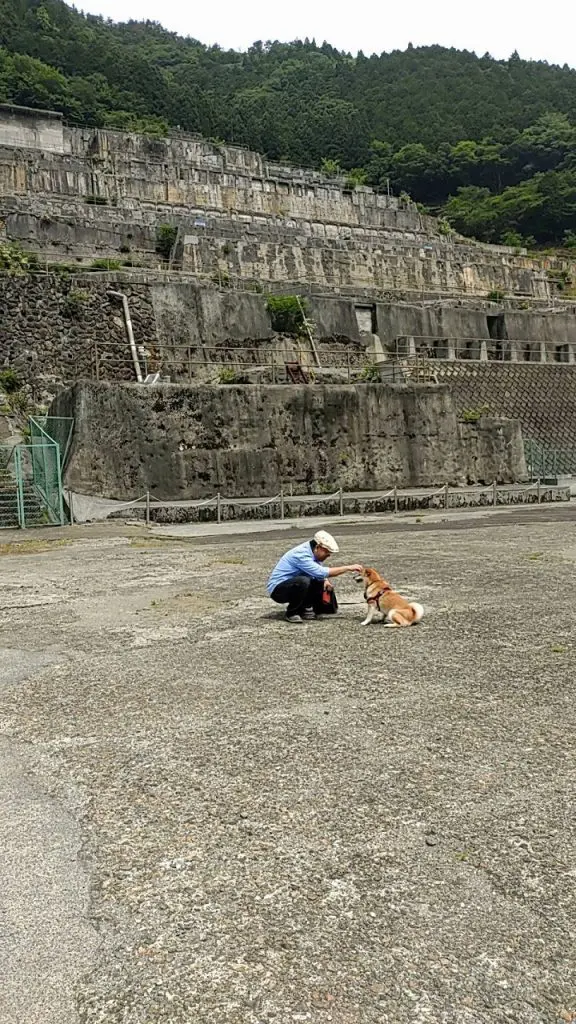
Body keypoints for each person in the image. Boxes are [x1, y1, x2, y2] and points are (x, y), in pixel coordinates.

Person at [267, 530, 363, 623]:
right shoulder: (301, 555)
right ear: (318, 547)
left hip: (291, 584)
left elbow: (317, 572)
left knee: (317, 582)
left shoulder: (313, 553)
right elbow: (320, 572)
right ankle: (292, 612)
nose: (328, 555)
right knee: (303, 581)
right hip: (278, 590)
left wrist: (325, 581)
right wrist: (348, 568)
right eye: (327, 552)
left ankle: (305, 608)